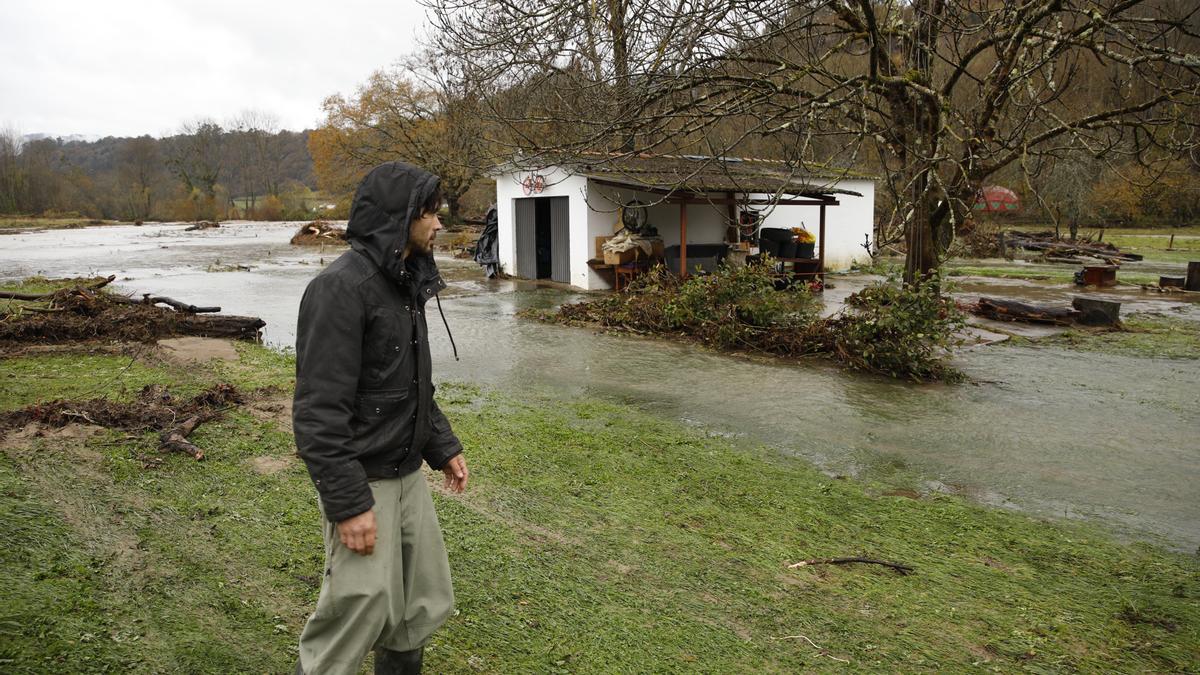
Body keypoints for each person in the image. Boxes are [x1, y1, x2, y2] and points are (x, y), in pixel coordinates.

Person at [292, 161, 468, 675]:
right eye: (430, 213)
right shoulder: (340, 289)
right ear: (401, 216)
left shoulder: (405, 281)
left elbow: (411, 384)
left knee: (421, 601)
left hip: (408, 473)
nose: (439, 224)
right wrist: (348, 504)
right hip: (365, 478)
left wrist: (443, 446)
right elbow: (317, 412)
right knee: (358, 606)